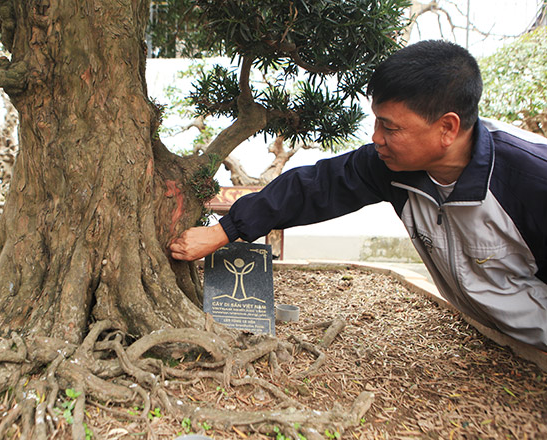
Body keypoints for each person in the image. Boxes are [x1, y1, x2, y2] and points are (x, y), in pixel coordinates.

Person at [170, 40, 547, 351]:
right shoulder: (395, 168)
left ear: (447, 127)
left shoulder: (530, 180)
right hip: (494, 340)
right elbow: (313, 186)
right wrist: (224, 231)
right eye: (376, 120)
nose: (376, 138)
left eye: (390, 127)